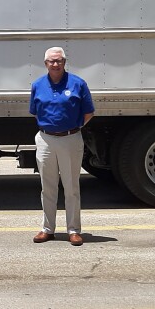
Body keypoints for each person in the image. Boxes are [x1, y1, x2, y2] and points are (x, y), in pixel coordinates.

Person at [29, 47, 94, 246]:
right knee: (47, 187)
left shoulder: (78, 83)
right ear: (45, 63)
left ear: (65, 62)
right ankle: (47, 229)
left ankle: (73, 230)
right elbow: (35, 111)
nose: (55, 64)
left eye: (59, 61)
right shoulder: (38, 85)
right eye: (51, 61)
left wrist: (73, 128)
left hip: (70, 139)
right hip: (46, 139)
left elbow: (89, 112)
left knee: (71, 187)